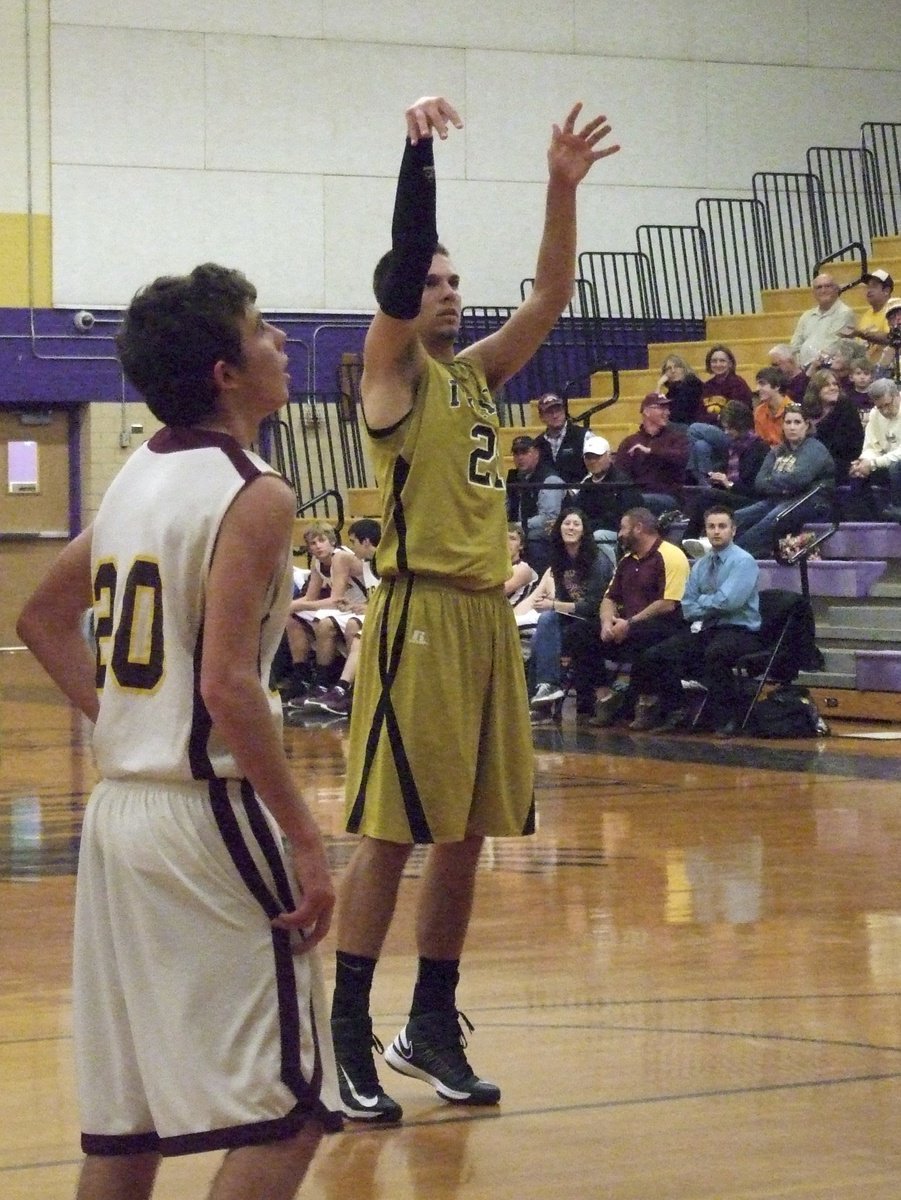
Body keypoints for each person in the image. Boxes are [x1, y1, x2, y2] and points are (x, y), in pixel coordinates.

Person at [16, 264, 341, 1200]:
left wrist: (125, 719)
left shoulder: (135, 473)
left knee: (128, 1132)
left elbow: (42, 619)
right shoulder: (257, 492)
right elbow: (230, 686)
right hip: (208, 814)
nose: (280, 339)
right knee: (289, 1113)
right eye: (261, 328)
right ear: (225, 372)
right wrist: (308, 839)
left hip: (122, 817)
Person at [330, 94, 619, 1125]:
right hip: (412, 619)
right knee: (393, 834)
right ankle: (348, 1030)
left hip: (484, 618)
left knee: (466, 837)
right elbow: (405, 260)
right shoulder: (391, 377)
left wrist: (558, 187)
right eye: (435, 281)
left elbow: (548, 295)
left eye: (457, 280)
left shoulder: (478, 379)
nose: (448, 291)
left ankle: (429, 1026)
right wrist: (416, 157)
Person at [628, 505, 762, 736]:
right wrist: (708, 603)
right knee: (659, 654)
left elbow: (729, 603)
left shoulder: (743, 561)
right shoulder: (700, 564)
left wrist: (703, 602)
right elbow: (687, 606)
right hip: (709, 628)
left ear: (733, 530)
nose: (716, 531)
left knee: (715, 653)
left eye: (722, 526)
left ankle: (728, 716)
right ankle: (677, 710)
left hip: (740, 631)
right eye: (711, 526)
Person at [589, 507, 689, 728]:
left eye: (623, 528)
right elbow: (609, 598)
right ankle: (606, 698)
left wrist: (630, 623)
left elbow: (667, 604)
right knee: (581, 634)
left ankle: (647, 703)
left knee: (644, 637)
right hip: (626, 625)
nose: (620, 534)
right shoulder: (626, 560)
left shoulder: (671, 555)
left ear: (638, 528)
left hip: (666, 625)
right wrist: (607, 623)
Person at [525, 509, 612, 720]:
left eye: (576, 524)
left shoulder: (597, 559)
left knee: (551, 634)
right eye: (566, 523)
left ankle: (543, 698)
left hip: (596, 619)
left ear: (584, 531)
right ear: (559, 528)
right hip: (571, 617)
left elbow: (593, 605)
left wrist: (554, 604)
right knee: (544, 625)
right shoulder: (559, 558)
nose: (570, 528)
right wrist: (553, 606)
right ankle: (547, 688)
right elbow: (563, 600)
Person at [733, 403, 836, 558]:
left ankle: (734, 555)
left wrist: (774, 480)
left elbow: (799, 479)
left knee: (773, 519)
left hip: (810, 501)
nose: (792, 427)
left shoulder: (815, 448)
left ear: (806, 425)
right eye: (788, 422)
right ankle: (730, 552)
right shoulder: (778, 450)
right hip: (779, 499)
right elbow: (760, 482)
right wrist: (784, 486)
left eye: (797, 422)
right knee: (737, 517)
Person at [681, 400, 769, 540]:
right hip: (733, 494)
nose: (726, 432)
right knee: (706, 494)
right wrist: (717, 479)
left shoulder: (760, 449)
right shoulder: (732, 447)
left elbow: (755, 488)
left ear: (740, 426)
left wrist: (728, 483)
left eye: (730, 428)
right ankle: (693, 540)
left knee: (708, 497)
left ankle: (687, 541)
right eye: (725, 428)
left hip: (751, 499)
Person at [569, 431, 641, 565]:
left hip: (619, 533)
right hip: (590, 530)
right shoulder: (587, 485)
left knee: (599, 536)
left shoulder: (622, 482)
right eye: (589, 457)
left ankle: (616, 570)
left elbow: (623, 517)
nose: (592, 461)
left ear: (609, 456)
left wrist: (587, 527)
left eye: (597, 457)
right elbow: (577, 511)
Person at [614, 393, 690, 513]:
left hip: (669, 497)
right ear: (646, 412)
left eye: (667, 409)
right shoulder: (630, 442)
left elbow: (682, 458)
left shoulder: (677, 438)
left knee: (635, 501)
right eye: (661, 408)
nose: (667, 413)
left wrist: (651, 451)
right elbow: (620, 473)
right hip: (637, 495)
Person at [506, 433, 565, 574]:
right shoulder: (514, 478)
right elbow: (505, 507)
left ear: (536, 453)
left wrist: (518, 527)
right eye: (516, 453)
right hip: (519, 529)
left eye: (525, 452)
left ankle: (539, 579)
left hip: (550, 531)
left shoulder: (550, 479)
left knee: (535, 535)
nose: (520, 457)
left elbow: (549, 518)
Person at [848, 378, 901, 521]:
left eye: (887, 405)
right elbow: (871, 446)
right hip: (884, 462)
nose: (884, 410)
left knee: (896, 468)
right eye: (880, 407)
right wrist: (864, 462)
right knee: (857, 474)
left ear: (897, 396)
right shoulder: (875, 414)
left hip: (895, 464)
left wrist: (872, 464)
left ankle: (898, 511)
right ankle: (868, 521)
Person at [801, 370, 863, 484]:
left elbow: (848, 446)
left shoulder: (846, 408)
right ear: (815, 390)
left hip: (841, 462)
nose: (833, 388)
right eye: (826, 385)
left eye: (835, 384)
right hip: (811, 461)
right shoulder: (806, 411)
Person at [789, 273, 855, 369]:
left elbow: (832, 346)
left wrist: (809, 365)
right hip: (804, 368)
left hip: (828, 369)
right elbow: (794, 345)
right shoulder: (806, 315)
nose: (823, 290)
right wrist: (800, 365)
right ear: (814, 293)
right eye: (819, 287)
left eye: (827, 286)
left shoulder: (844, 313)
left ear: (837, 289)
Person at [533, 392, 588, 483]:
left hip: (580, 493)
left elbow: (595, 470)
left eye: (558, 410)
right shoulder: (537, 444)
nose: (555, 416)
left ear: (564, 411)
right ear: (541, 417)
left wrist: (576, 491)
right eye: (550, 412)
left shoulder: (584, 435)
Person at [841, 268, 895, 360]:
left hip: (886, 366)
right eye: (868, 287)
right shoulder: (867, 314)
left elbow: (891, 338)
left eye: (874, 286)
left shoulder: (894, 310)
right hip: (864, 365)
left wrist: (860, 334)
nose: (869, 290)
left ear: (886, 290)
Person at [699, 343, 753, 421]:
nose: (718, 364)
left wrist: (716, 418)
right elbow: (699, 414)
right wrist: (717, 418)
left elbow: (738, 415)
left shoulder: (738, 384)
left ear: (730, 364)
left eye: (722, 361)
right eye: (714, 361)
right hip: (709, 426)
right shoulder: (707, 386)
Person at [655, 354, 706, 426]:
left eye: (677, 367)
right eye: (669, 368)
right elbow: (654, 410)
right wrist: (658, 385)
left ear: (684, 369)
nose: (673, 371)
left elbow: (679, 414)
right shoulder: (672, 392)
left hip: (691, 426)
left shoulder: (693, 384)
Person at [753, 367, 791, 447]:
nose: (757, 389)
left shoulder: (792, 410)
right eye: (757, 384)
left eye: (762, 384)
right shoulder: (759, 411)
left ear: (777, 386)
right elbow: (760, 443)